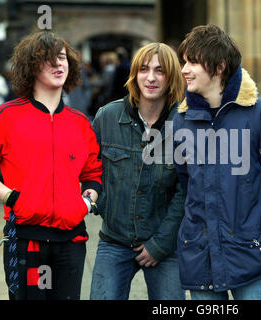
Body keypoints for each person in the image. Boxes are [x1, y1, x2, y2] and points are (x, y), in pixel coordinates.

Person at [0, 30, 102, 300]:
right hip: (26, 241)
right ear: (31, 66)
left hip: (72, 241)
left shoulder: (80, 123)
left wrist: (86, 203)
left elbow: (93, 174)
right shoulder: (5, 116)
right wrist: (11, 197)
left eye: (63, 58)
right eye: (49, 59)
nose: (59, 64)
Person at [173, 24, 261, 300]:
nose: (184, 69)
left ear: (218, 67)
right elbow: (185, 183)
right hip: (199, 253)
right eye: (184, 62)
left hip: (249, 251)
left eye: (192, 62)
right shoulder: (181, 120)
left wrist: (255, 227)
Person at [90, 42, 186, 300]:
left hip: (165, 244)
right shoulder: (107, 117)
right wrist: (103, 205)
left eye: (160, 71)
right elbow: (90, 170)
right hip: (114, 240)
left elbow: (186, 192)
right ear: (134, 74)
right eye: (144, 69)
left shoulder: (185, 125)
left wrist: (160, 244)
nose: (151, 78)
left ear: (172, 77)